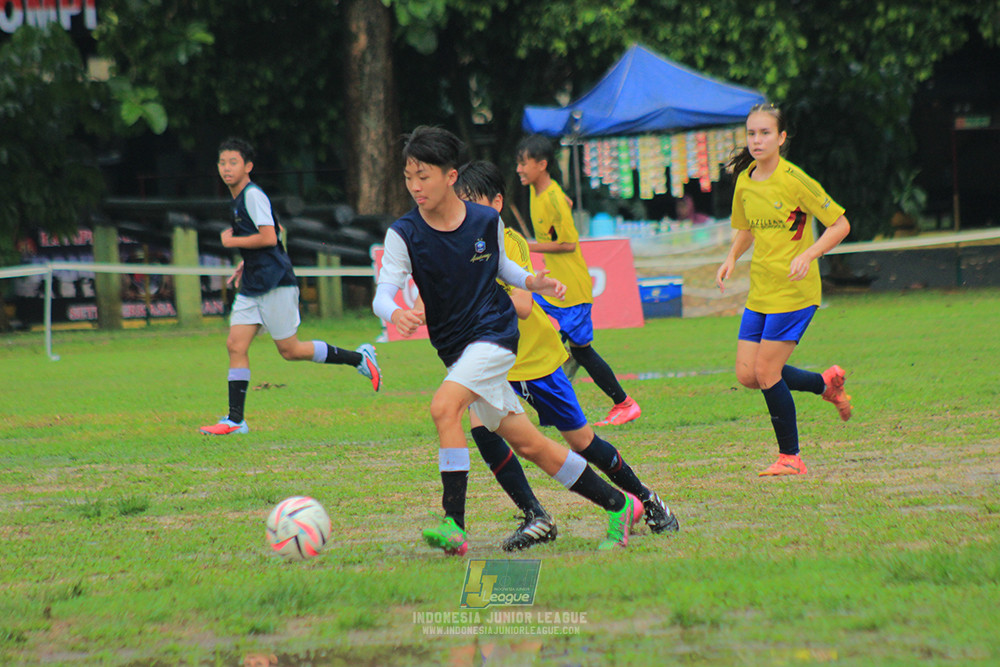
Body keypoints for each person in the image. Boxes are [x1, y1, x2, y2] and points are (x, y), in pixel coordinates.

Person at [373, 126, 642, 553]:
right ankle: (617, 504)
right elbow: (383, 294)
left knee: (444, 406)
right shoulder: (404, 234)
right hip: (457, 350)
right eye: (408, 177)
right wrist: (396, 312)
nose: (415, 186)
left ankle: (454, 525)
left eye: (423, 176)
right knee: (529, 443)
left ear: (450, 176)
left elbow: (502, 268)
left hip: (496, 337)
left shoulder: (484, 220)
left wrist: (532, 281)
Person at [456, 160, 679, 543]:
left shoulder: (508, 242)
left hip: (536, 361)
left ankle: (647, 499)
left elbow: (524, 306)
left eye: (472, 203)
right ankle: (535, 516)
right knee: (482, 427)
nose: (465, 212)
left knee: (582, 442)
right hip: (497, 363)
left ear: (495, 204)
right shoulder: (463, 245)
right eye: (460, 203)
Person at [200, 138, 381, 436]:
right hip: (253, 283)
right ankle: (235, 420)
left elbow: (270, 237)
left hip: (274, 283)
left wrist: (232, 242)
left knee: (291, 350)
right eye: (222, 163)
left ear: (248, 166)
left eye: (233, 162)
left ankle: (359, 358)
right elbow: (276, 231)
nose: (226, 168)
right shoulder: (239, 199)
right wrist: (246, 261)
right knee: (235, 344)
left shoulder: (252, 195)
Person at [715, 103, 853, 476]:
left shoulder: (795, 180)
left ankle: (790, 457)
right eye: (751, 133)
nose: (756, 140)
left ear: (781, 137)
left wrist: (808, 254)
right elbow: (746, 229)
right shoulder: (745, 179)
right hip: (761, 289)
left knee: (767, 372)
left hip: (795, 292)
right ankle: (825, 384)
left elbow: (840, 225)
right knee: (748, 374)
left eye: (764, 133)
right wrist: (731, 257)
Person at [515, 134, 640, 427]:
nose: (519, 169)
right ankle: (555, 407)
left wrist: (526, 245)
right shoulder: (540, 191)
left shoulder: (553, 198)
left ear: (541, 165)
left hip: (571, 290)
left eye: (523, 163)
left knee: (578, 351)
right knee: (545, 337)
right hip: (553, 286)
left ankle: (623, 403)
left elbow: (569, 244)